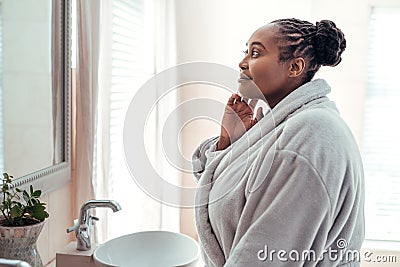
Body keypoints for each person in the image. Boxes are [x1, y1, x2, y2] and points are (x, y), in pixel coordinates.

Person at [192, 18, 365, 266]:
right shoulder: (282, 126)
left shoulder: (309, 136)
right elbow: (233, 202)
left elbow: (263, 257)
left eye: (255, 53)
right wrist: (229, 143)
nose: (242, 63)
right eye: (246, 51)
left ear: (295, 67)